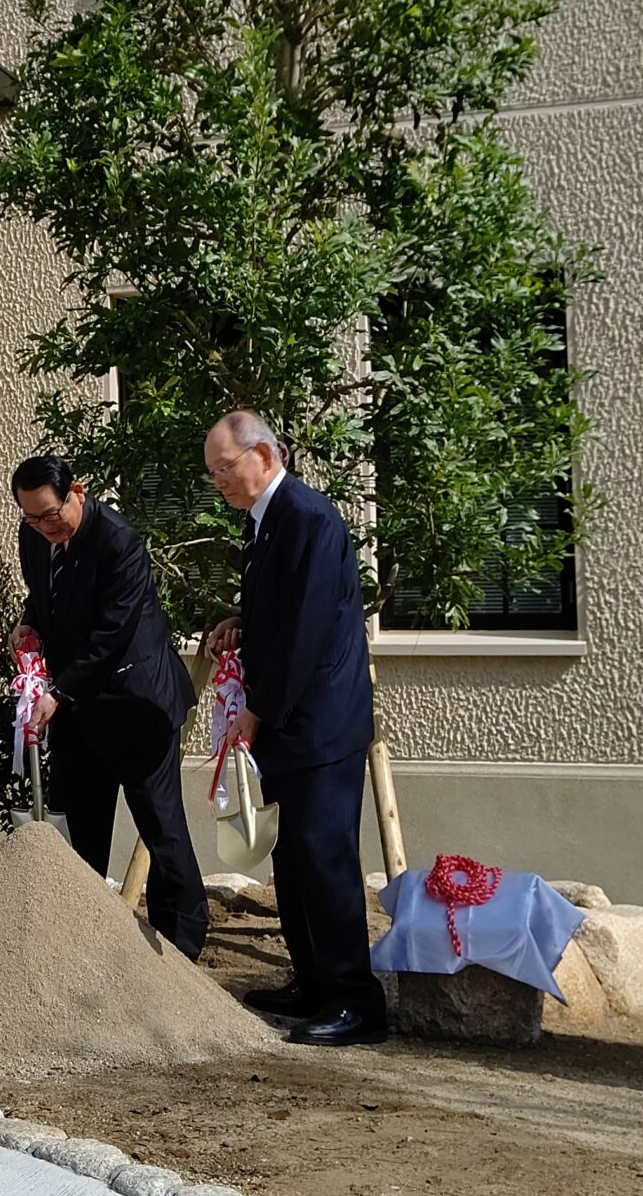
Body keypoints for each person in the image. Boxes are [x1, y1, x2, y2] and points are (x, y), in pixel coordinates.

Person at [202, 410, 391, 1046]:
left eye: (227, 467)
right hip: (289, 720)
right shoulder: (266, 523)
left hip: (319, 721)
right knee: (292, 855)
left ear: (267, 454)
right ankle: (312, 978)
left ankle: (354, 999)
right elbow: (281, 616)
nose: (220, 481)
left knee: (325, 855)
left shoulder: (307, 517)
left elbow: (308, 630)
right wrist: (241, 626)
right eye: (213, 473)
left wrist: (259, 708)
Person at [8, 454, 208, 959]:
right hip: (79, 709)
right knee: (80, 827)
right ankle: (84, 942)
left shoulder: (118, 540)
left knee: (160, 826)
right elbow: (46, 595)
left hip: (135, 702)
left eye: (51, 514)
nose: (43, 527)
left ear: (78, 490)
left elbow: (112, 634)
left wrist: (57, 692)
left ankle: (181, 948)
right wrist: (29, 623)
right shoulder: (34, 535)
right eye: (31, 517)